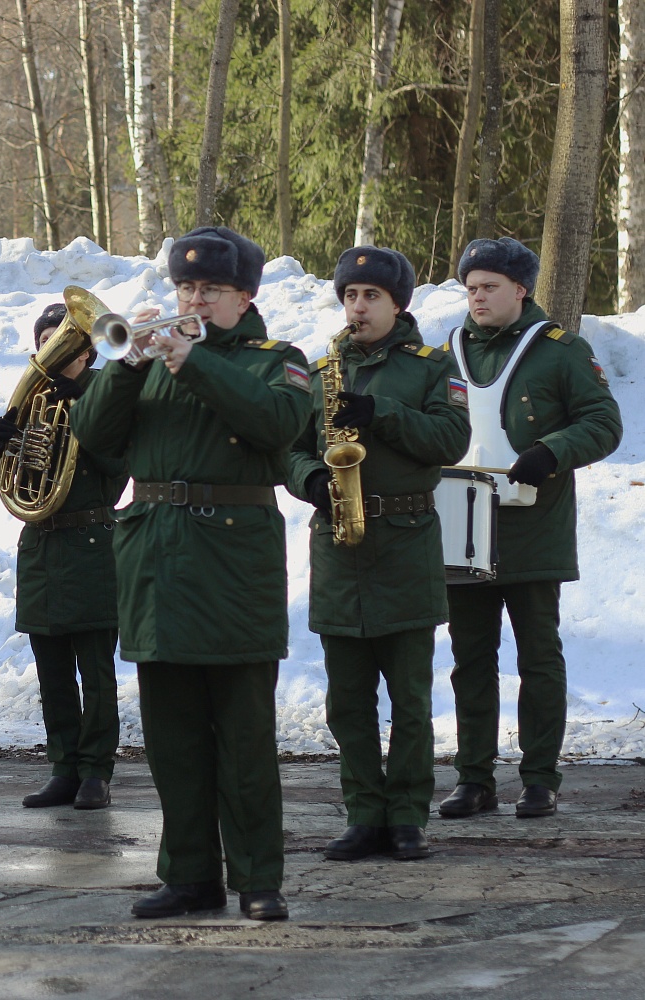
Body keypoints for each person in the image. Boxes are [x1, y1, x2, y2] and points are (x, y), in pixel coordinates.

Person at [70, 226, 312, 921]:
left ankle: (259, 878)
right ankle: (189, 875)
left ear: (245, 296)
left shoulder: (278, 359)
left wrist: (192, 362)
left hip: (235, 566)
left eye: (210, 290)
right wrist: (125, 365)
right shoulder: (145, 362)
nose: (194, 300)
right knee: (171, 737)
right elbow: (92, 436)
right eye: (186, 287)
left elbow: (277, 425)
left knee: (243, 738)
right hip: (155, 561)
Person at [285, 247, 470, 862]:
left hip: (406, 544)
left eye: (370, 297)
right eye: (349, 297)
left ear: (398, 304)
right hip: (340, 548)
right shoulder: (319, 369)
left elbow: (450, 439)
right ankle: (364, 812)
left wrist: (381, 413)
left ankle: (408, 814)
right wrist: (310, 476)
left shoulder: (431, 367)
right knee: (348, 700)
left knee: (410, 699)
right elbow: (287, 449)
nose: (357, 308)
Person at [439, 238, 622, 820]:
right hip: (462, 526)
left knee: (538, 656)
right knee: (471, 658)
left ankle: (540, 778)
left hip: (533, 526)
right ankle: (474, 778)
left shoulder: (561, 351)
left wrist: (551, 450)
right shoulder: (446, 352)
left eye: (489, 286)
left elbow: (603, 422)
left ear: (520, 289)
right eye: (470, 288)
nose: (478, 298)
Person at [0, 302, 126, 809]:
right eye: (43, 341)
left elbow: (119, 467)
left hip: (91, 543)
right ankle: (63, 767)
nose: (49, 351)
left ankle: (96, 772)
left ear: (84, 351)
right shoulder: (31, 402)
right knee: (52, 672)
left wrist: (81, 406)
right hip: (40, 546)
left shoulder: (106, 397)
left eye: (59, 341)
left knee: (96, 672)